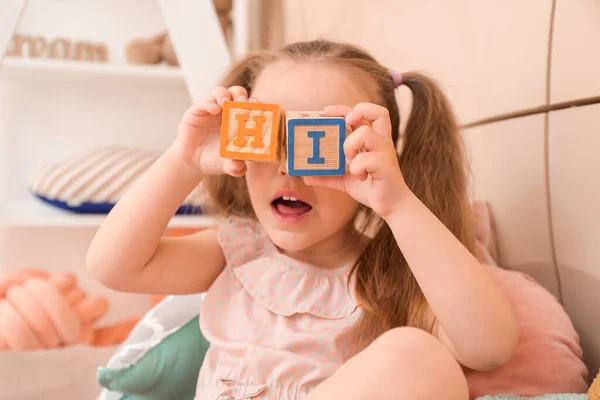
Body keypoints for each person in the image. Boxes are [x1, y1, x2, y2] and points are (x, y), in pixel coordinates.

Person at [86, 39, 519, 400]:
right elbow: (113, 266)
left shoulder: (388, 276)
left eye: (319, 144)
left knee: (420, 358)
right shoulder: (237, 253)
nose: (289, 168)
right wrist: (185, 161)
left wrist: (399, 203)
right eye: (268, 138)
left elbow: (490, 348)